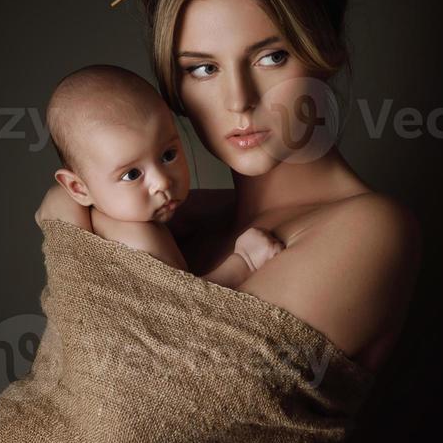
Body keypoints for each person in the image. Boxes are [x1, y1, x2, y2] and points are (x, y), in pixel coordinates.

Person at [36, 0, 423, 376]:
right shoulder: (184, 218)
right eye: (202, 69)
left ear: (325, 49)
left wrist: (64, 215)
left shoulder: (369, 231)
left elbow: (156, 402)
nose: (239, 101)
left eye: (271, 56)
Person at [42, 62, 284, 287]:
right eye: (132, 174)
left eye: (168, 155)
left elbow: (206, 206)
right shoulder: (140, 240)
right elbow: (188, 309)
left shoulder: (124, 212)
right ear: (78, 189)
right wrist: (245, 260)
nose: (162, 182)